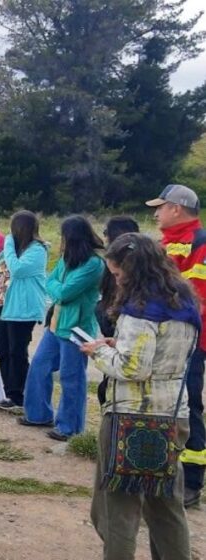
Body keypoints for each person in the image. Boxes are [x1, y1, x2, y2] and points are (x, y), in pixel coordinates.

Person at [82, 233, 198, 560]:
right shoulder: (184, 302)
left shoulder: (139, 310)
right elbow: (161, 355)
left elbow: (134, 368)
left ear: (131, 271)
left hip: (131, 418)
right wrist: (117, 344)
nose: (116, 282)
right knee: (167, 509)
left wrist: (98, 354)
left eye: (117, 275)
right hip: (174, 414)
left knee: (116, 511)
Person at [146, 183, 206, 508]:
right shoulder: (166, 244)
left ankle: (193, 482)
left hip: (190, 340)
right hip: (164, 337)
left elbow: (197, 298)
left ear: (177, 209)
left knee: (188, 403)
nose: (156, 213)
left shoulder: (199, 243)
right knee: (165, 404)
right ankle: (163, 470)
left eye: (161, 207)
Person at [19, 216, 104, 441]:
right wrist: (58, 289)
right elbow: (51, 282)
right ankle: (38, 414)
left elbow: (64, 293)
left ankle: (70, 427)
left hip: (76, 329)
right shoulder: (67, 259)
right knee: (39, 366)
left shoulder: (94, 264)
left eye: (65, 236)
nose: (62, 241)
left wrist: (58, 290)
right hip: (55, 325)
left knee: (71, 377)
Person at [0, 210, 47, 411]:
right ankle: (7, 390)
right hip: (3, 306)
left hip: (22, 310)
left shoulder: (37, 250)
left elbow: (17, 269)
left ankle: (19, 394)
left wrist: (7, 242)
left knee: (17, 351)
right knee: (3, 349)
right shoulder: (11, 250)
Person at [95, 216, 140, 406]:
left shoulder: (133, 278)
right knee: (106, 390)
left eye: (106, 233)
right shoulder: (111, 264)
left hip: (123, 342)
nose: (104, 238)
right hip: (113, 333)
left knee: (110, 392)